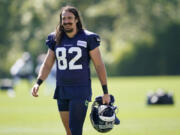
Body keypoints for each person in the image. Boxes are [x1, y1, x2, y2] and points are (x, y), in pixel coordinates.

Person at [31, 5, 111, 135]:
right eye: (64, 18)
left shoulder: (88, 38)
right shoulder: (55, 38)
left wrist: (105, 92)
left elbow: (99, 65)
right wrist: (38, 83)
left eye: (69, 18)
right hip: (62, 89)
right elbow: (47, 64)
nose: (66, 21)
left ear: (76, 20)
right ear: (61, 20)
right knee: (69, 131)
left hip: (80, 89)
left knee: (75, 129)